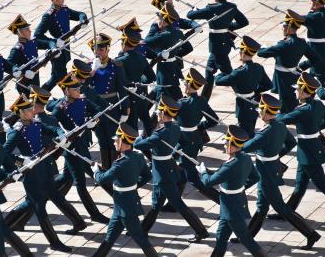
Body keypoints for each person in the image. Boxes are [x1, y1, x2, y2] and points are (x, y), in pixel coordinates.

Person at [230, 93, 320, 250]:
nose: (258, 111)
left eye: (260, 109)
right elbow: (290, 143)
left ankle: (311, 234)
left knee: (281, 208)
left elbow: (244, 148)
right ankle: (247, 236)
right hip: (270, 168)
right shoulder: (279, 125)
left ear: (265, 112)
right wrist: (274, 156)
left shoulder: (265, 133)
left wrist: (233, 139)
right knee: (261, 206)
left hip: (266, 172)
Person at [134, 95, 209, 243]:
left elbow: (138, 145)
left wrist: (140, 137)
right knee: (156, 204)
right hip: (169, 166)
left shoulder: (158, 135)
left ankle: (201, 231)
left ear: (163, 113)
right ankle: (142, 230)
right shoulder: (175, 127)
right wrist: (171, 153)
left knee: (178, 205)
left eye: (158, 112)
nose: (157, 114)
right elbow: (184, 141)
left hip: (162, 174)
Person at [198, 125, 266, 257]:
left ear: (232, 144)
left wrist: (203, 172)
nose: (224, 144)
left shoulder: (230, 165)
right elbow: (255, 177)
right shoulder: (245, 157)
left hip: (231, 207)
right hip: (231, 203)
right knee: (221, 237)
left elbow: (208, 182)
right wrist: (239, 187)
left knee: (246, 239)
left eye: (227, 141)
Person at [92, 123, 157, 257]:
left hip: (126, 208)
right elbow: (147, 175)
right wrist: (132, 185)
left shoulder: (120, 163)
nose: (115, 142)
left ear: (122, 141)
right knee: (109, 238)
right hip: (121, 205)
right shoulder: (138, 157)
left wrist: (96, 172)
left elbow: (103, 179)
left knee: (140, 238)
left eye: (116, 140)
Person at [52, 75, 110, 224]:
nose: (78, 90)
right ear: (66, 91)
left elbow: (98, 110)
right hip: (72, 150)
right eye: (74, 88)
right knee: (81, 181)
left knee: (67, 177)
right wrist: (63, 136)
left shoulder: (82, 101)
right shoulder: (59, 109)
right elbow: (53, 128)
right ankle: (95, 213)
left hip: (82, 145)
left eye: (78, 88)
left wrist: (93, 121)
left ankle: (46, 191)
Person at [163, 68, 219, 213]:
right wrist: (198, 126)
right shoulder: (201, 101)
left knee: (193, 179)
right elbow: (214, 120)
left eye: (186, 83)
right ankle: (173, 202)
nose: (184, 85)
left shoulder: (182, 103)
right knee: (180, 172)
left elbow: (171, 117)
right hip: (192, 138)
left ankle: (221, 201)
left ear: (189, 85)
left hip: (184, 141)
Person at [187, 0, 249, 101]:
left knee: (228, 74)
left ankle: (245, 97)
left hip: (216, 46)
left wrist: (195, 9)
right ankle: (204, 100)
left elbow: (190, 15)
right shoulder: (232, 7)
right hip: (225, 43)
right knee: (209, 73)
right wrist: (227, 27)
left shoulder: (211, 8)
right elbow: (243, 22)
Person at [273, 72, 325, 217]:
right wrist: (313, 127)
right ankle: (287, 213)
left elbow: (282, 119)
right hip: (308, 151)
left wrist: (270, 111)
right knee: (300, 185)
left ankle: (286, 213)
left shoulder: (303, 110)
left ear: (303, 92)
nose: (295, 91)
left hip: (309, 154)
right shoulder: (318, 105)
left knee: (322, 184)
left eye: (297, 89)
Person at [257, 10, 322, 113]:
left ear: (288, 27)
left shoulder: (283, 45)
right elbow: (315, 59)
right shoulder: (301, 42)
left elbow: (261, 54)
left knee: (285, 104)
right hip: (294, 75)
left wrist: (261, 48)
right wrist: (301, 66)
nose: (282, 28)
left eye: (284, 26)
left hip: (282, 78)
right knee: (292, 99)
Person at [34, 0, 88, 91]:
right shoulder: (48, 16)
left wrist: (82, 20)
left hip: (65, 47)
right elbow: (37, 36)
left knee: (60, 77)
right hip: (57, 51)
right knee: (58, 78)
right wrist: (53, 42)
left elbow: (79, 14)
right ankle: (40, 97)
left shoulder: (65, 10)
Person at [215, 35, 272, 137]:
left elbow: (219, 81)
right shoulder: (258, 67)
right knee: (251, 126)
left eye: (240, 51)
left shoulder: (239, 72)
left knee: (245, 132)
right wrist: (255, 91)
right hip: (254, 101)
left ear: (243, 52)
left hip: (243, 105)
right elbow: (268, 85)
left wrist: (219, 73)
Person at [88, 33, 129, 170]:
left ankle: (115, 169)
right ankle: (106, 170)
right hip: (96, 109)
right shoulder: (90, 67)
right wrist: (93, 71)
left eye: (101, 49)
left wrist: (125, 109)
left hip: (111, 108)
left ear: (107, 50)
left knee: (113, 141)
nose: (98, 52)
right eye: (96, 49)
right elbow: (82, 88)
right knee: (101, 141)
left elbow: (122, 90)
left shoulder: (116, 66)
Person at [115, 27, 156, 136]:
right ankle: (149, 143)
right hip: (140, 94)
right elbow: (152, 77)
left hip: (127, 97)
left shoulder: (120, 61)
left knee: (131, 126)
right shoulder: (142, 58)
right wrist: (140, 82)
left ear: (124, 43)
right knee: (146, 119)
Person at [144, 2, 186, 100]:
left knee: (161, 97)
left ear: (163, 20)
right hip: (174, 66)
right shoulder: (178, 33)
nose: (157, 20)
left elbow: (146, 42)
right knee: (176, 94)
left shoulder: (163, 35)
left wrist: (155, 26)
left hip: (163, 68)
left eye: (159, 18)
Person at [7, 14, 51, 95]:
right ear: (20, 32)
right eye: (27, 29)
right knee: (26, 105)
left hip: (35, 78)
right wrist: (20, 72)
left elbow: (48, 43)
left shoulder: (33, 42)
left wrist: (53, 47)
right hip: (24, 82)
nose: (30, 31)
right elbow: (8, 64)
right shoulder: (17, 49)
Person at [299, 0, 325, 84]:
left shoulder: (314, 17)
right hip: (322, 47)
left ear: (316, 2)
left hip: (316, 47)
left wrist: (311, 8)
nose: (310, 2)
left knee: (319, 77)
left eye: (312, 1)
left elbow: (300, 19)